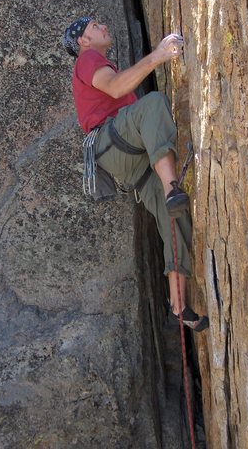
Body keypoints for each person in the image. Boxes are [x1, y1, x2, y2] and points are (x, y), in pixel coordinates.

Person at [63, 16, 209, 332]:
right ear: (83, 42)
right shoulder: (89, 59)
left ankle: (179, 304)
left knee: (174, 219)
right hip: (112, 140)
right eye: (94, 27)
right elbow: (116, 88)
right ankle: (172, 188)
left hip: (124, 157)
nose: (103, 26)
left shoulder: (99, 64)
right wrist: (158, 56)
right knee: (154, 102)